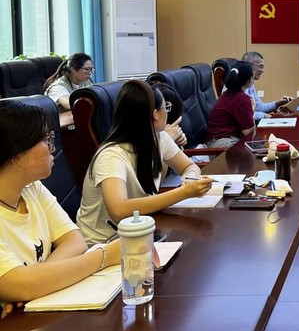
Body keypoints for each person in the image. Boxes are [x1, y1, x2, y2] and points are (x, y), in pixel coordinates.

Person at [0, 100, 121, 317]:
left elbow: (75, 240)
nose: (53, 148)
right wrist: (105, 256)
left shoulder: (32, 188)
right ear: (15, 154)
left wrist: (37, 283)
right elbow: (21, 284)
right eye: (45, 140)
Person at [77, 80, 213, 245]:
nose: (167, 112)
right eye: (166, 107)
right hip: (103, 243)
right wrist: (184, 192)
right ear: (155, 114)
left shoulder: (159, 137)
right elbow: (119, 210)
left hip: (141, 230)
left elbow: (189, 166)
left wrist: (190, 180)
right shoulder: (111, 156)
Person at [206, 61, 257, 148]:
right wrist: (252, 111)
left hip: (218, 141)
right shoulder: (242, 99)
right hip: (223, 143)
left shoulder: (228, 93)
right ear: (249, 79)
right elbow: (249, 134)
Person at [241, 52, 293, 121]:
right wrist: (265, 116)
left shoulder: (250, 83)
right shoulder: (236, 85)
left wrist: (278, 103)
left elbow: (260, 108)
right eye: (261, 66)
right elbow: (243, 114)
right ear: (248, 65)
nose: (262, 71)